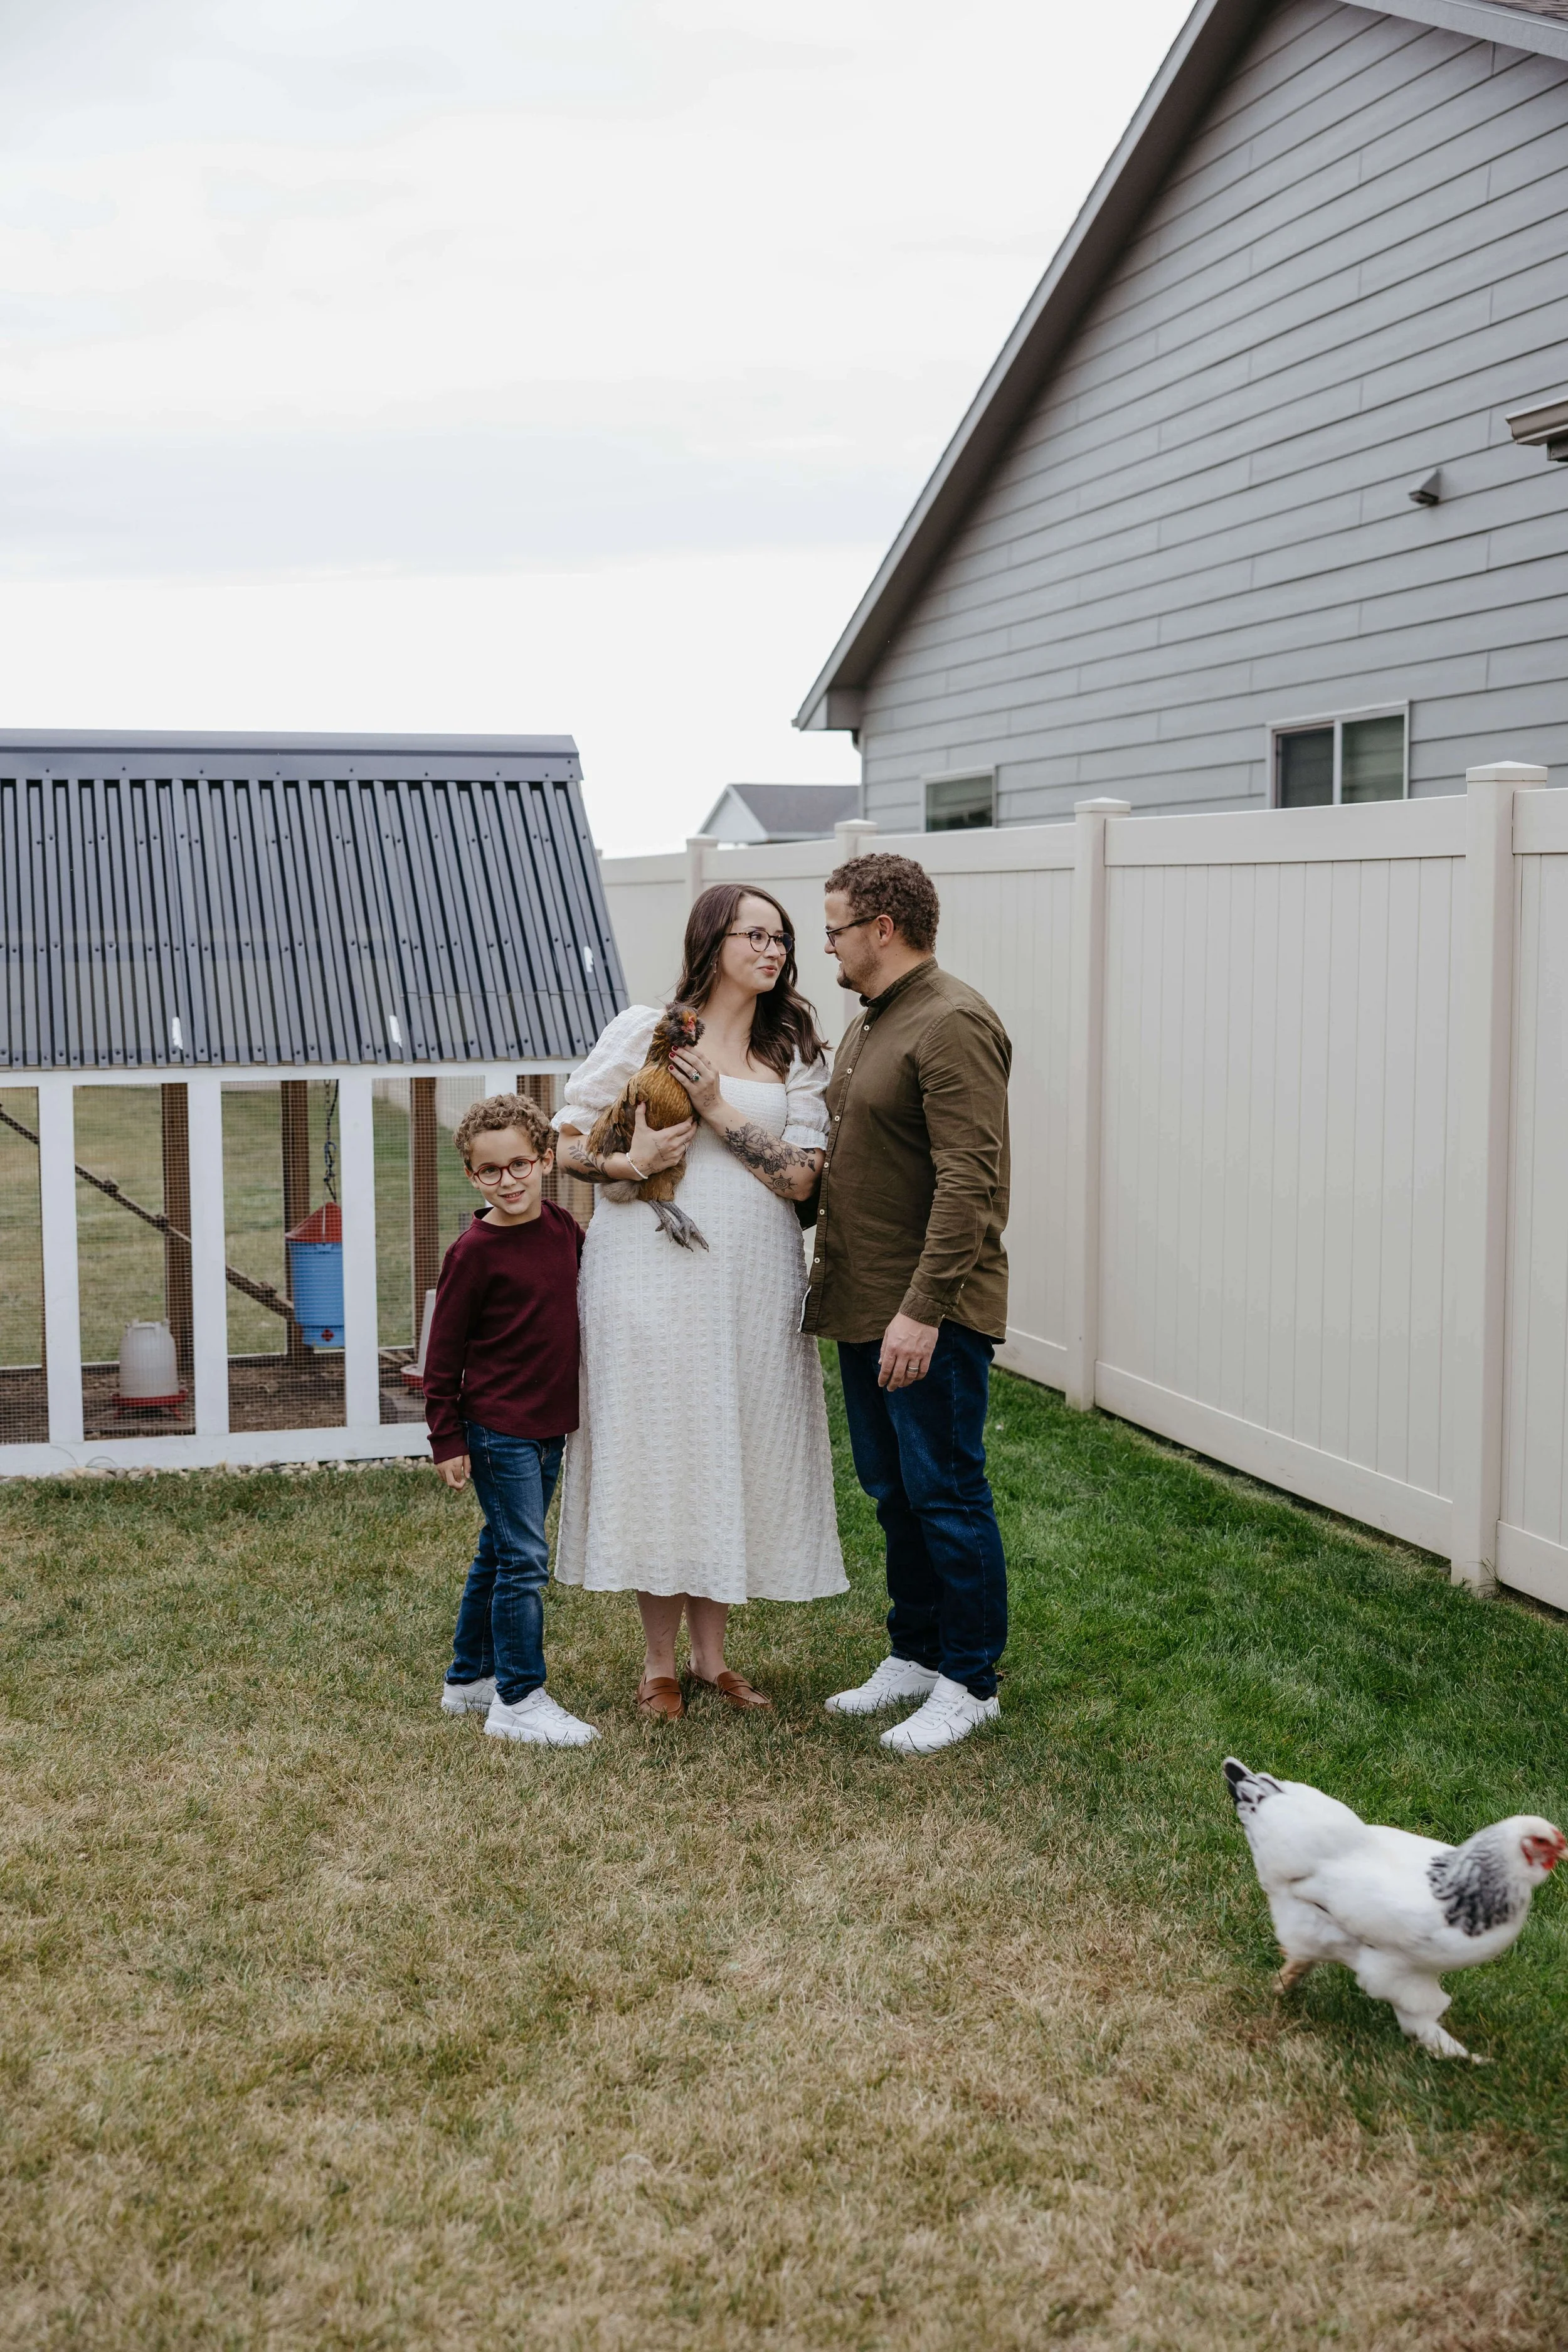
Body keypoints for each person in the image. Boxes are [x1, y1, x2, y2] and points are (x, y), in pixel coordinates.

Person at [553, 884, 847, 1719]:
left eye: (783, 938)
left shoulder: (796, 1052)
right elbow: (565, 1140)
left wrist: (717, 1106)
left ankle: (715, 1659)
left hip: (753, 1275)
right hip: (647, 1269)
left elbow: (800, 1179)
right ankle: (657, 1666)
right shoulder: (646, 1028)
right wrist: (629, 1160)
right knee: (665, 1445)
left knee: (733, 1440)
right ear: (712, 940)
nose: (775, 949)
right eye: (757, 934)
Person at [804, 851, 1012, 1756]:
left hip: (931, 1311)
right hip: (863, 1299)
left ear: (882, 927)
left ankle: (971, 1679)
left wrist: (923, 1310)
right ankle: (916, 1653)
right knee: (893, 1492)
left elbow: (971, 1184)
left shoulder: (954, 1021)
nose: (827, 950)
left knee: (946, 1491)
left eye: (835, 931)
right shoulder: (870, 1023)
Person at [424, 1092, 598, 1748]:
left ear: (546, 1161)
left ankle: (468, 1677)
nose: (508, 1181)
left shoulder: (561, 1229)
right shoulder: (472, 1253)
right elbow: (441, 1358)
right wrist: (447, 1437)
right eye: (490, 1171)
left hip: (549, 1425)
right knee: (525, 1559)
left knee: (499, 1550)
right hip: (499, 1428)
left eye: (520, 1164)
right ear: (472, 1175)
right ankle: (518, 1698)